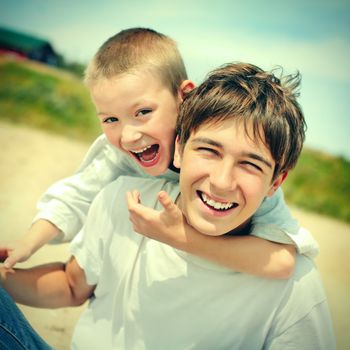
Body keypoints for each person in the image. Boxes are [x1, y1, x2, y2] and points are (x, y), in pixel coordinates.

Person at [0, 62, 335, 349]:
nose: (221, 181)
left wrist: (181, 237)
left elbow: (282, 264)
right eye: (209, 150)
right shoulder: (126, 200)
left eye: (250, 164)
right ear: (178, 149)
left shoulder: (295, 284)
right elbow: (72, 284)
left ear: (275, 183)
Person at [0, 28, 318, 277]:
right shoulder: (119, 155)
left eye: (143, 112)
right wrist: (27, 244)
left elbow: (281, 261)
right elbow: (75, 197)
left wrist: (179, 237)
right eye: (110, 119)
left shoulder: (234, 170)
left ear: (185, 97)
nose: (129, 135)